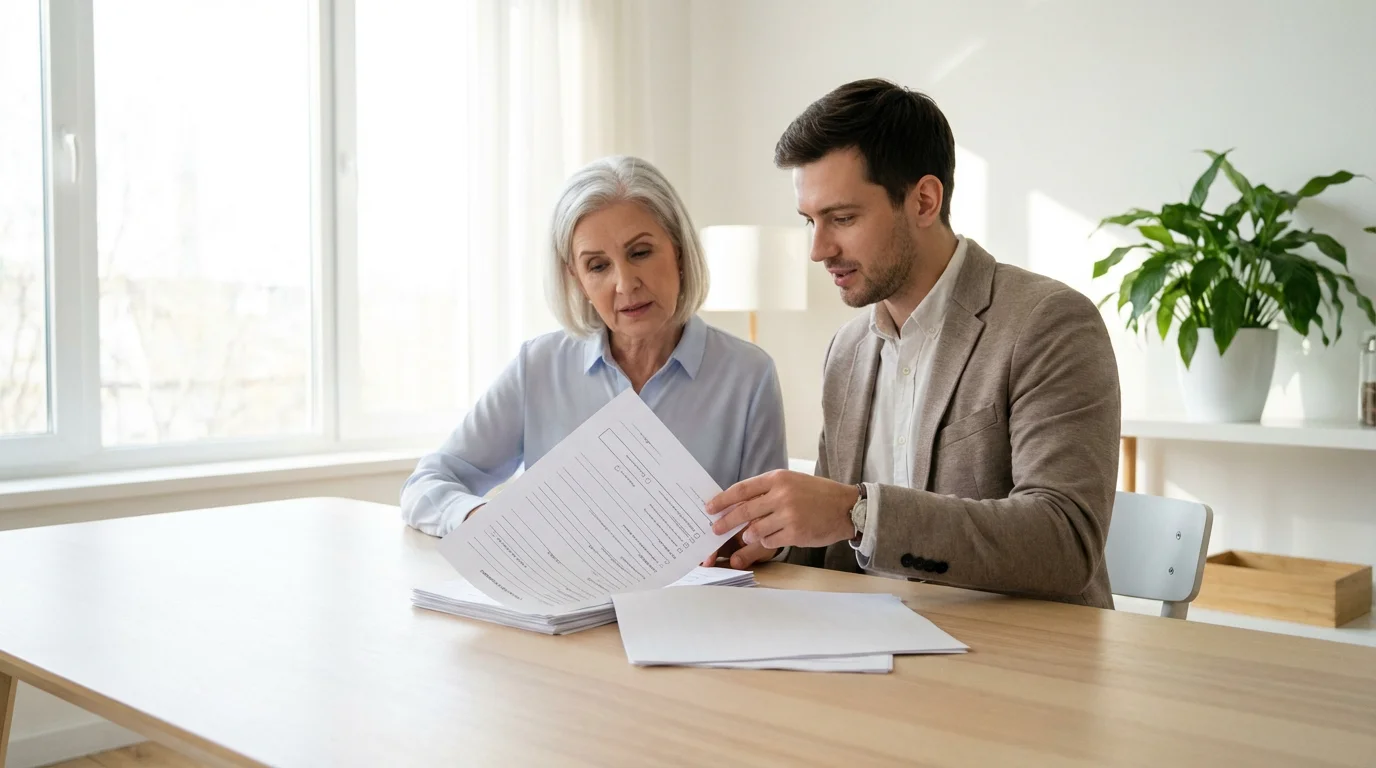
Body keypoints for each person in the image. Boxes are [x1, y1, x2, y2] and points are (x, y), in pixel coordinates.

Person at [705, 79, 1121, 608]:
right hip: (874, 649)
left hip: (1020, 663)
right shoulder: (848, 350)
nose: (818, 249)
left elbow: (1064, 542)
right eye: (810, 221)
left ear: (924, 200)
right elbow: (834, 547)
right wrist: (771, 541)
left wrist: (856, 511)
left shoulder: (1048, 323)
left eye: (843, 218)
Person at [403, 155, 789, 564]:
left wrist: (755, 544)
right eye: (598, 266)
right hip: (559, 611)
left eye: (640, 252)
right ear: (577, 279)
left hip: (696, 611)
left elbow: (774, 535)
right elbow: (427, 484)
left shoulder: (749, 375)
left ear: (677, 251)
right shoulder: (538, 367)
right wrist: (480, 517)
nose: (625, 284)